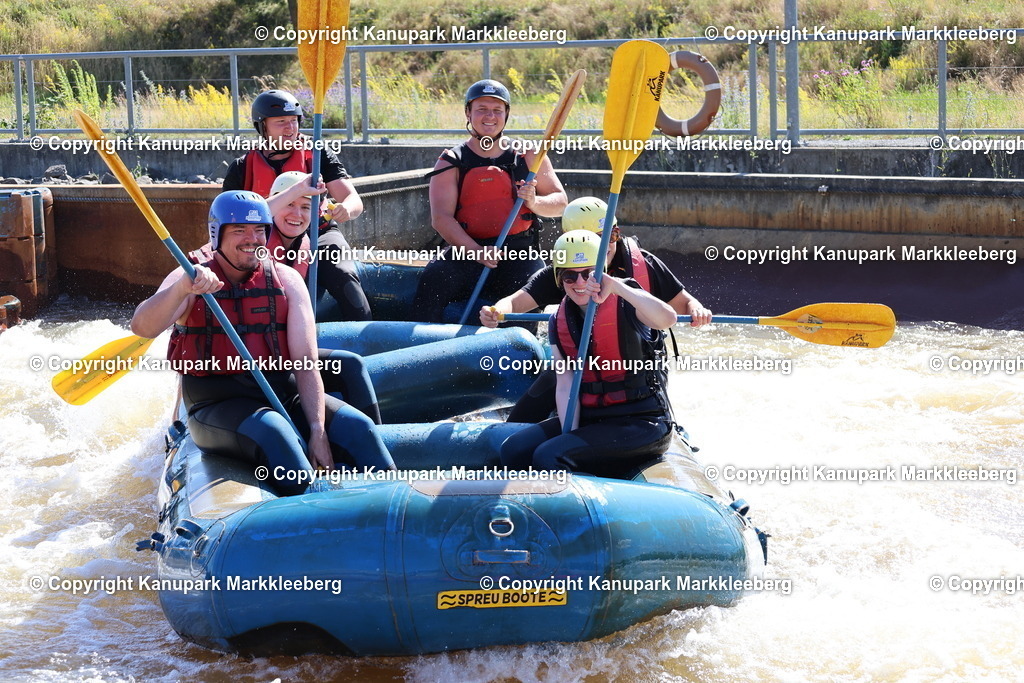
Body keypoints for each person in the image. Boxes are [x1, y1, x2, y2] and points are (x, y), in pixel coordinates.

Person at [130, 191, 394, 496]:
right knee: (273, 433)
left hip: (280, 390)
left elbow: (306, 365)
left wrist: (318, 430)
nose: (251, 240)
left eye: (259, 231)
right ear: (217, 235)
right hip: (215, 403)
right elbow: (142, 327)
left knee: (359, 429)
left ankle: (391, 516)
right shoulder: (190, 278)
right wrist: (180, 290)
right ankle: (314, 526)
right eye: (239, 230)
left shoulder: (287, 280)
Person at [480, 196, 712, 422]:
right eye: (596, 239)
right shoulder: (566, 270)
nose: (608, 245)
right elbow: (515, 302)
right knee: (531, 406)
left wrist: (698, 309)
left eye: (612, 235)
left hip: (638, 371)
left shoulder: (643, 264)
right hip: (580, 365)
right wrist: (496, 311)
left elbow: (685, 303)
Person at [500, 230, 677, 478]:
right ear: (559, 280)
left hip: (642, 422)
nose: (580, 283)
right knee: (513, 450)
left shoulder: (627, 300)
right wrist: (568, 436)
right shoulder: (558, 320)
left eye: (588, 274)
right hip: (593, 418)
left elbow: (667, 318)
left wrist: (616, 286)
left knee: (549, 456)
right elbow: (564, 384)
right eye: (569, 276)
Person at [411, 79, 568, 322]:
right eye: (481, 109)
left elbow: (560, 203)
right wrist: (476, 252)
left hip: (518, 252)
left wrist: (534, 202)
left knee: (532, 290)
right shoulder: (451, 160)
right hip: (466, 249)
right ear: (468, 113)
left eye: (497, 110)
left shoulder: (529, 155)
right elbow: (441, 219)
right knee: (433, 281)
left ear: (506, 115)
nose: (489, 117)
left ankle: (524, 353)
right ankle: (425, 348)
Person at [223, 89, 371, 321]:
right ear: (262, 127)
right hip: (264, 237)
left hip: (318, 232)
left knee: (344, 275)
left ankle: (365, 339)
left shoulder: (318, 154)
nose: (290, 128)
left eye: (293, 121)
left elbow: (354, 200)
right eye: (281, 122)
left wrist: (346, 209)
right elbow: (230, 220)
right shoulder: (242, 167)